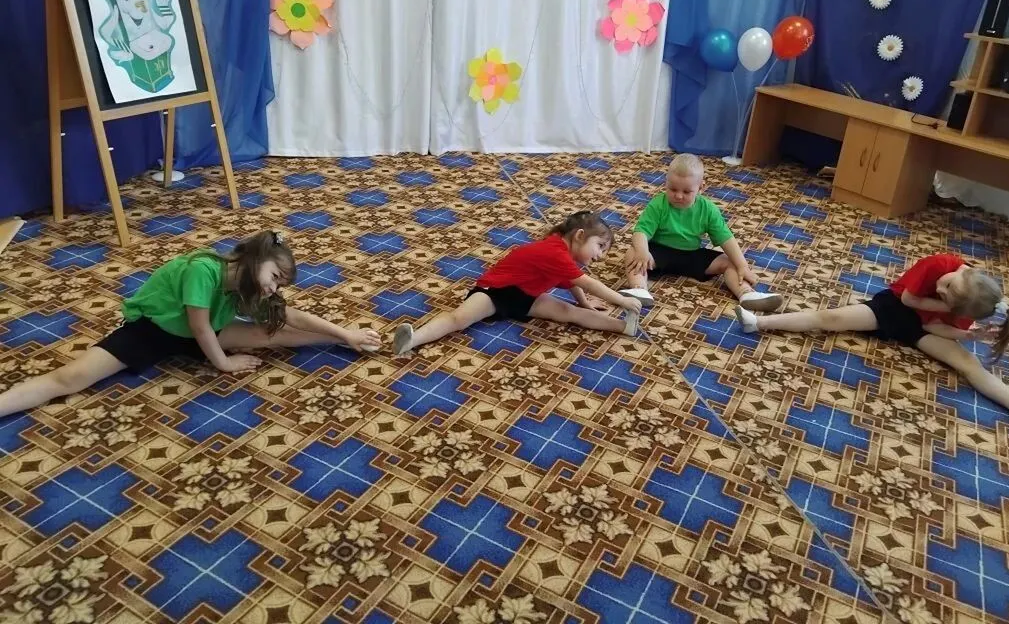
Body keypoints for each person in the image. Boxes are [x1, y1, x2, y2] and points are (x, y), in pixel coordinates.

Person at [0, 230, 381, 418]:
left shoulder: (248, 286)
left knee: (275, 331)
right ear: (254, 258)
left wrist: (344, 333)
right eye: (275, 276)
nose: (274, 287)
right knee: (71, 378)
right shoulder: (203, 269)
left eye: (281, 283)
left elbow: (289, 316)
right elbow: (199, 328)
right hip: (153, 332)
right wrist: (224, 363)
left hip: (204, 334)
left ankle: (345, 343)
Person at [734, 253, 1009, 421]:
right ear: (963, 271)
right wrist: (943, 305)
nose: (940, 289)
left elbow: (935, 327)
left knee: (969, 363)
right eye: (947, 287)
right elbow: (909, 300)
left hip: (922, 329)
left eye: (946, 296)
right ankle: (758, 323)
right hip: (893, 308)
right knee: (830, 319)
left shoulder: (965, 304)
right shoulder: (939, 265)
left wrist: (966, 334)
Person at [393, 211, 642, 355]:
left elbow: (574, 282)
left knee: (570, 312)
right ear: (579, 236)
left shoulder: (565, 257)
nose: (601, 256)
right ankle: (412, 339)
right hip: (497, 292)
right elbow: (587, 282)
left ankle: (623, 326)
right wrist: (622, 300)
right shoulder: (554, 251)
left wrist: (585, 303)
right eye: (600, 246)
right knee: (459, 319)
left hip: (526, 296)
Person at [619, 153, 782, 311]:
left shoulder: (708, 209)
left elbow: (726, 239)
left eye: (686, 192)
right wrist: (642, 251)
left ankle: (746, 293)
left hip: (692, 255)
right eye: (673, 189)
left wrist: (743, 266)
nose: (679, 196)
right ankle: (639, 288)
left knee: (730, 261)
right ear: (666, 182)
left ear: (700, 188)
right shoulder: (658, 204)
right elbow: (641, 232)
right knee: (633, 253)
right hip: (659, 253)